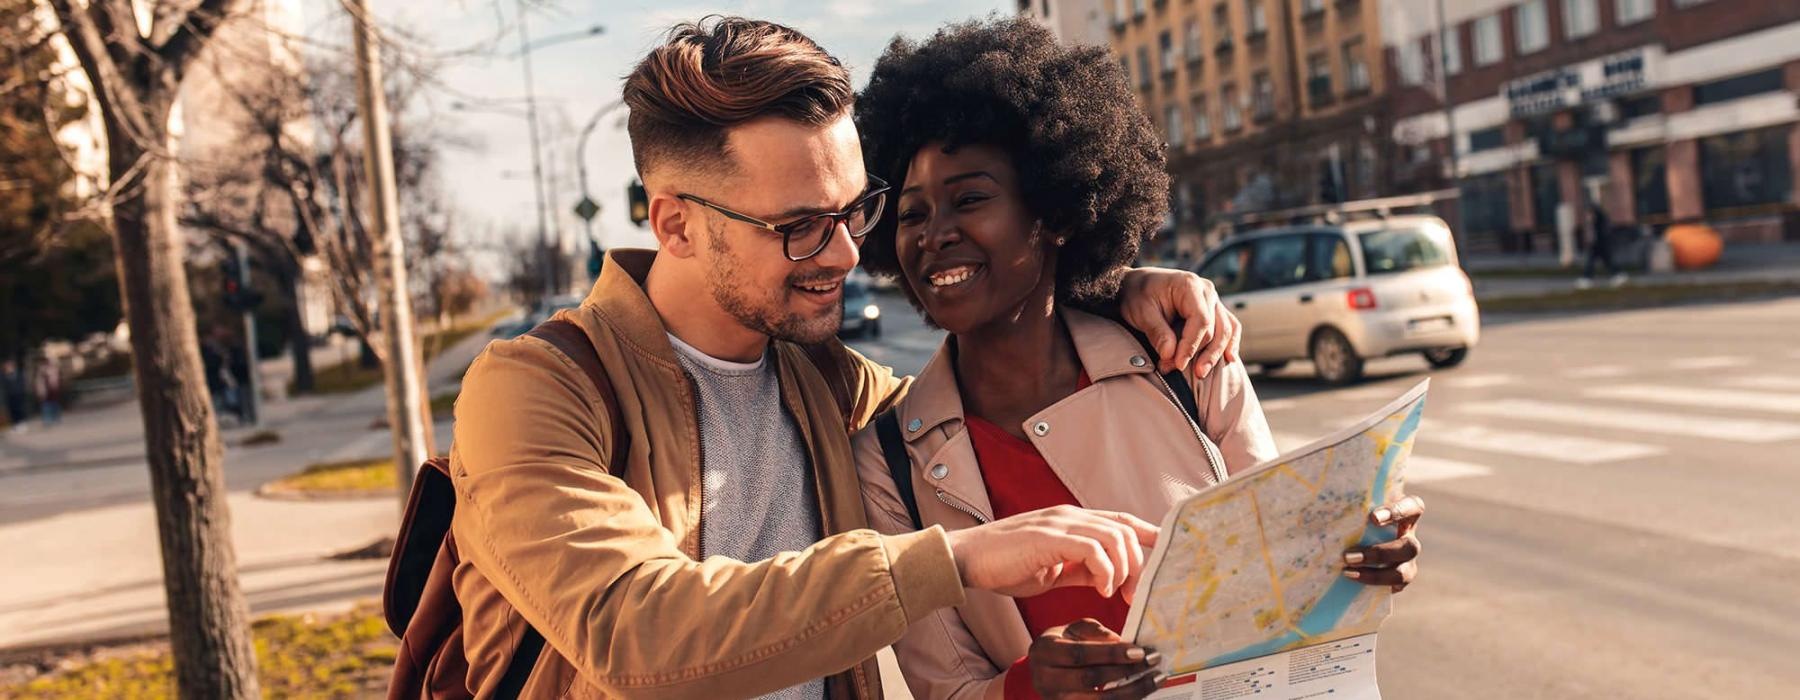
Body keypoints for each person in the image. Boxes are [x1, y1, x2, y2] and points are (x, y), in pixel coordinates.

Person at [440, 16, 1247, 699]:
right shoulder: (537, 386)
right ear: (677, 225)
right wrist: (956, 557)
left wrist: (1113, 283)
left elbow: (994, 355)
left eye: (855, 211)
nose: (844, 255)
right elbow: (634, 629)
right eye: (798, 225)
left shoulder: (830, 383)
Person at [850, 19, 1426, 700]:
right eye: (912, 214)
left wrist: (1358, 559)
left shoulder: (1185, 355)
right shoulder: (888, 458)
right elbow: (946, 689)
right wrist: (1029, 688)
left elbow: (1282, 581)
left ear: (1056, 212)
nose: (936, 234)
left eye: (970, 199)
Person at [1579, 193, 1627, 289]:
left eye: (1588, 211)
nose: (1587, 214)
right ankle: (1618, 275)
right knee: (1605, 261)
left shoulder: (1598, 218)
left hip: (1600, 243)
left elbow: (1600, 231)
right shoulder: (1598, 218)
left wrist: (1594, 241)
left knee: (1594, 262)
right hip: (1599, 244)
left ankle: (1586, 279)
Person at [33, 357, 62, 426]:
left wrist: (56, 386)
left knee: (54, 405)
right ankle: (47, 420)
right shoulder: (40, 371)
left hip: (53, 390)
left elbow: (56, 380)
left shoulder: (53, 369)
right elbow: (38, 382)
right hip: (45, 391)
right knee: (46, 405)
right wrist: (39, 391)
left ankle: (55, 418)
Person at [1, 359, 27, 431]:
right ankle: (16, 424)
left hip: (18, 394)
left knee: (19, 409)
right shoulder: (4, 375)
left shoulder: (18, 374)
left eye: (9, 366)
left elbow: (22, 383)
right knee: (12, 410)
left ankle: (22, 423)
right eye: (6, 367)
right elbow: (4, 385)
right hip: (10, 395)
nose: (8, 368)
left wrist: (21, 391)